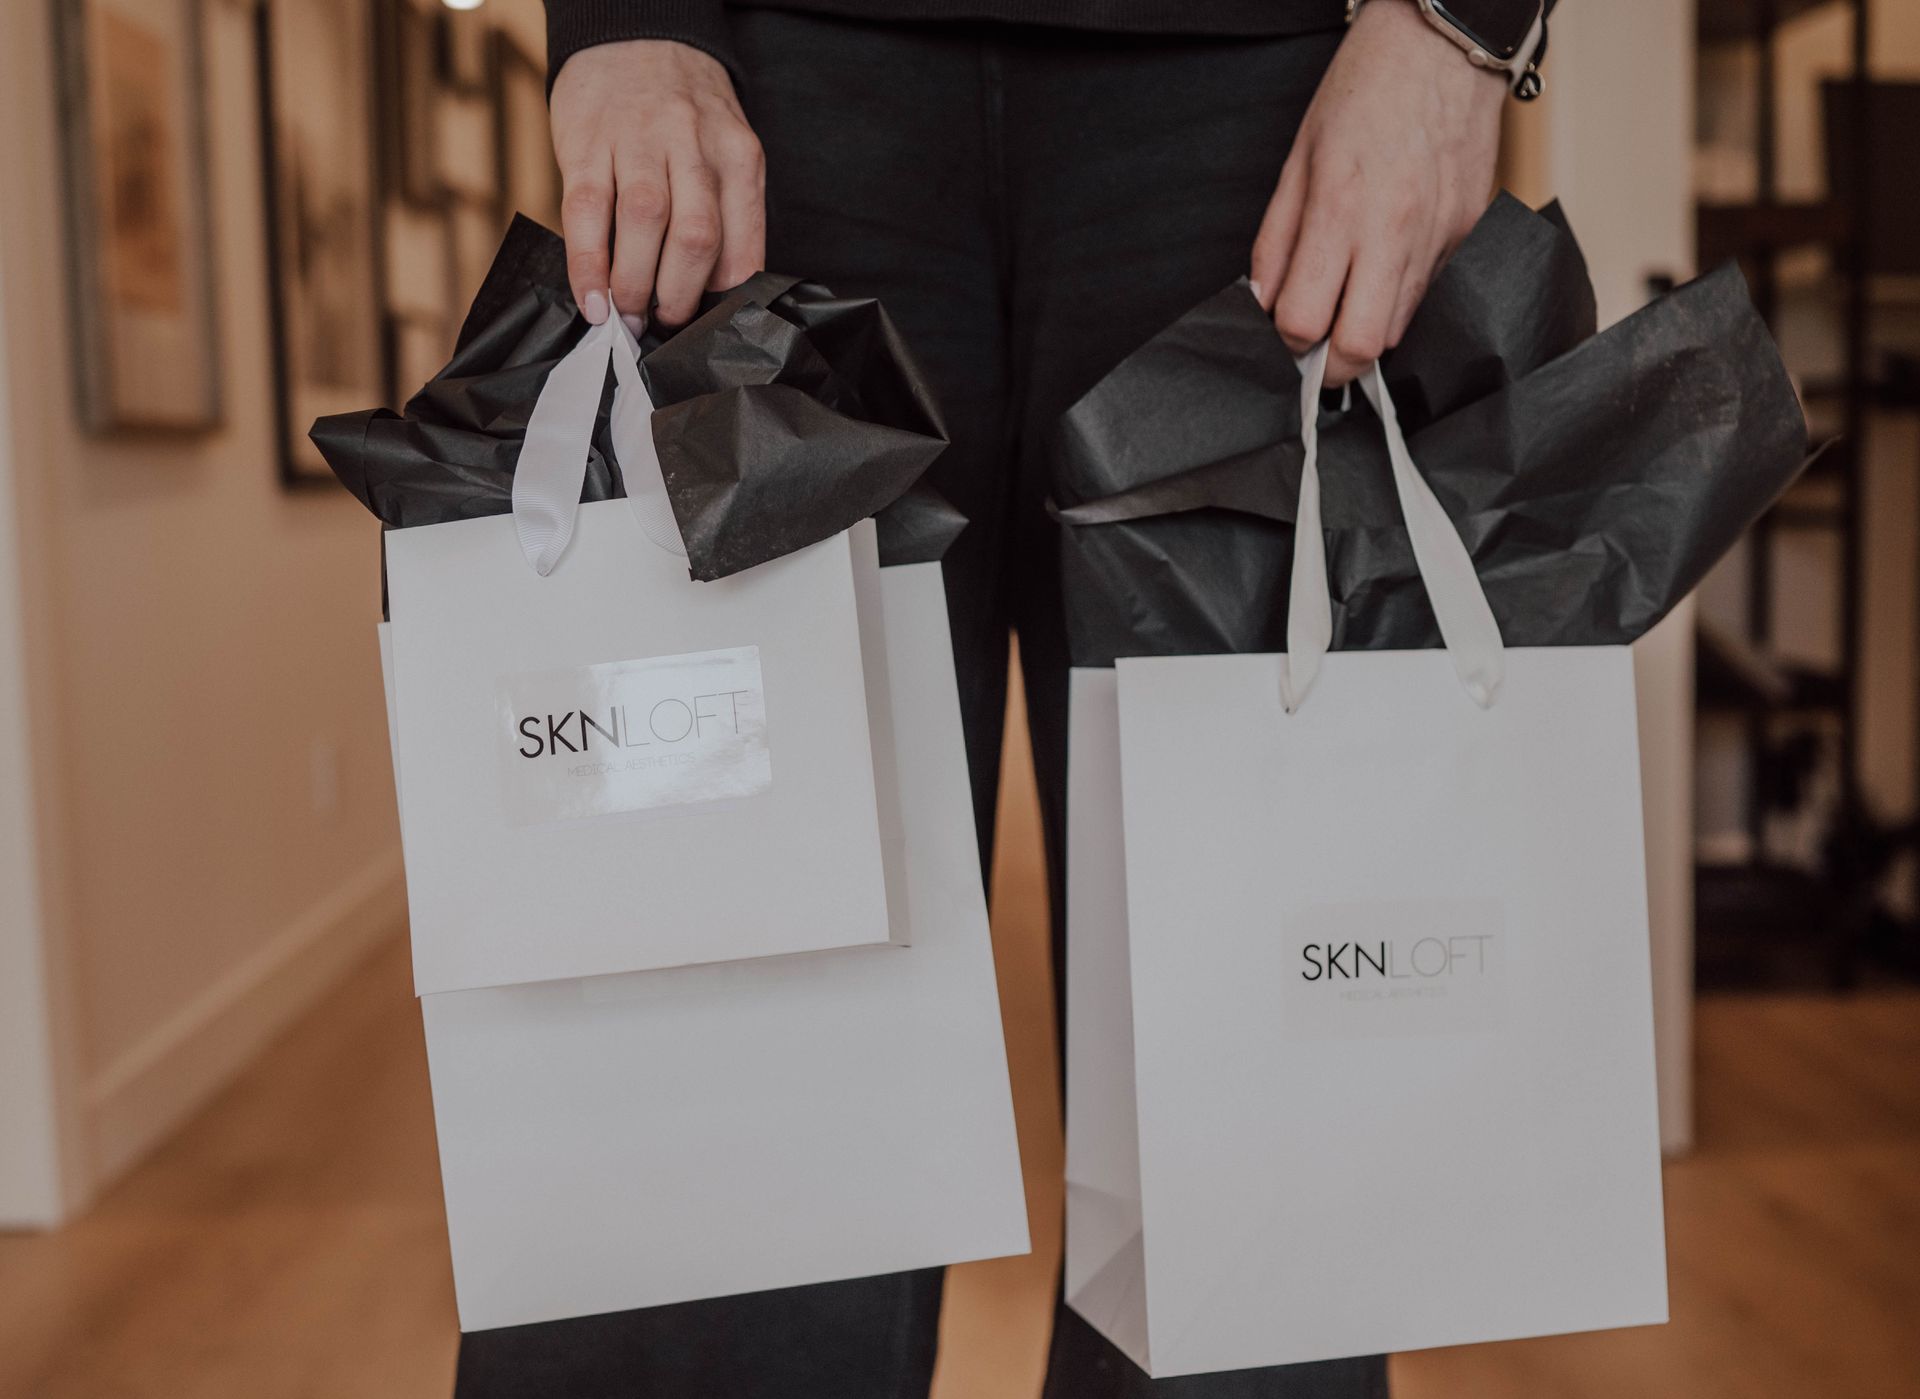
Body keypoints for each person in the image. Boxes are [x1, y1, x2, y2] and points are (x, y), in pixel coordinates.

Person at [455, 2, 1552, 1395]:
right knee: (722, 1146)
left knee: (1245, 1150)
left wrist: (1456, 32)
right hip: (776, 82)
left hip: (1276, 102)